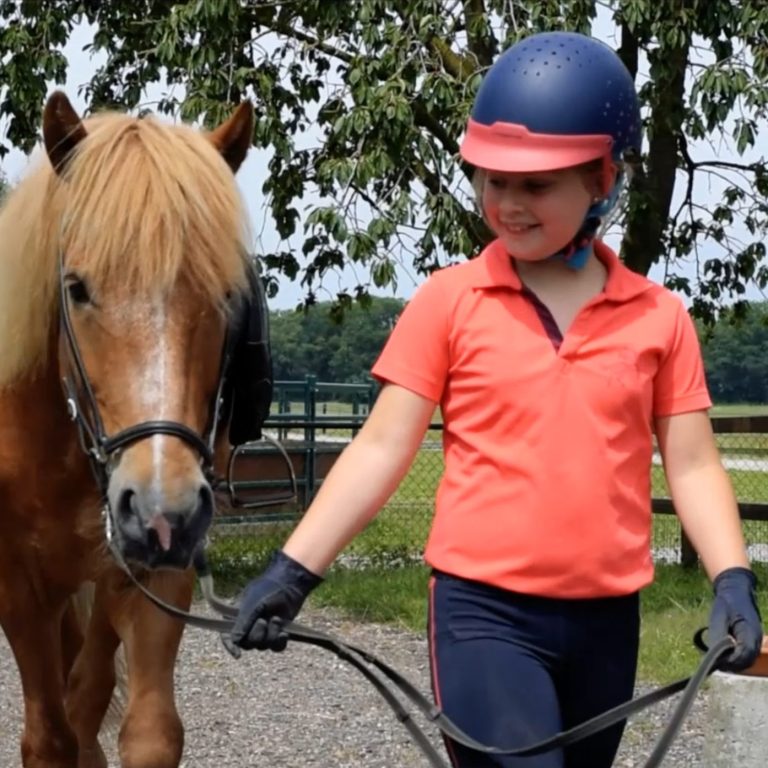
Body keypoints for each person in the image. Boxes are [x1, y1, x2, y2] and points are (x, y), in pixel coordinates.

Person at [230, 30, 763, 768]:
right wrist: (292, 573)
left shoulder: (658, 318)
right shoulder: (449, 303)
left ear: (603, 178)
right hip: (484, 615)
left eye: (535, 185)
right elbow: (382, 448)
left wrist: (733, 581)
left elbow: (695, 464)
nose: (506, 203)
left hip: (609, 622)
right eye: (492, 180)